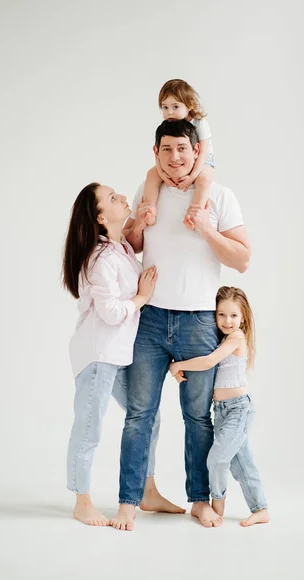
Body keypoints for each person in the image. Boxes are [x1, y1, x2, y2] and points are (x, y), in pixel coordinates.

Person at [109, 119, 251, 531]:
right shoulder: (146, 191)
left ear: (196, 151)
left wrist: (207, 229)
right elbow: (132, 246)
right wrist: (138, 220)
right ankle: (127, 502)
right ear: (156, 153)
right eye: (166, 149)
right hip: (150, 318)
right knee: (140, 414)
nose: (175, 158)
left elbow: (242, 259)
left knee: (197, 417)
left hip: (199, 322)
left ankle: (199, 501)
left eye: (182, 149)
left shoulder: (220, 196)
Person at [62, 182, 185, 527]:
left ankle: (147, 490)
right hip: (99, 355)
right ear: (100, 216)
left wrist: (142, 223)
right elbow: (112, 313)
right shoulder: (98, 259)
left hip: (120, 355)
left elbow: (134, 242)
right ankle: (81, 500)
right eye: (112, 198)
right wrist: (143, 298)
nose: (121, 199)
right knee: (89, 427)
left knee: (148, 416)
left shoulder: (120, 250)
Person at [170, 286, 270, 527]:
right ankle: (261, 509)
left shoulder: (236, 338)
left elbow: (209, 361)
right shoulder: (222, 338)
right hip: (222, 411)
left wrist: (177, 365)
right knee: (241, 463)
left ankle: (217, 504)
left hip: (238, 409)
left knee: (217, 459)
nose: (227, 321)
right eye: (221, 315)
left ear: (243, 317)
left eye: (233, 315)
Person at [143, 79, 214, 229]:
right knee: (151, 174)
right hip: (183, 161)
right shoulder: (167, 126)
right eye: (165, 107)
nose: (169, 112)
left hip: (202, 159)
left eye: (175, 107)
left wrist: (192, 177)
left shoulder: (200, 123)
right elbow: (158, 154)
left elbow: (202, 152)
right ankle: (150, 209)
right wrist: (162, 174)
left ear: (189, 106)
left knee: (205, 178)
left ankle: (195, 213)